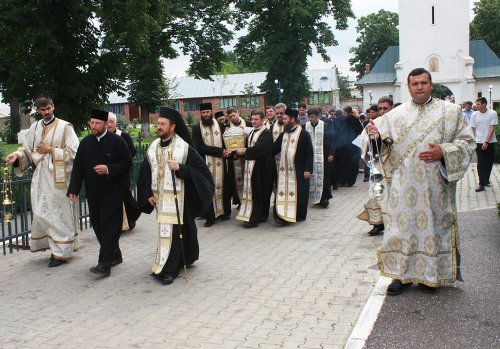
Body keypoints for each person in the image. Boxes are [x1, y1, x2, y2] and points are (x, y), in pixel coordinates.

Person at [364, 68, 474, 295]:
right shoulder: (394, 115)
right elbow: (374, 143)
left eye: (424, 82)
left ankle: (429, 275)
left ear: (431, 84)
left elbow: (467, 142)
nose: (420, 87)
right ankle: (401, 276)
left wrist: (443, 152)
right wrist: (374, 137)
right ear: (409, 87)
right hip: (403, 187)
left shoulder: (451, 112)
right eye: (415, 84)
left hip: (435, 186)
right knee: (401, 230)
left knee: (432, 228)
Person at [137, 107, 214, 285]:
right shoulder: (153, 146)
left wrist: (181, 169)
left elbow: (203, 173)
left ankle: (170, 269)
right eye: (158, 124)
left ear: (173, 126)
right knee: (165, 234)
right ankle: (167, 263)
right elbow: (145, 172)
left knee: (175, 233)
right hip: (160, 200)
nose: (159, 127)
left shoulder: (184, 148)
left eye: (163, 124)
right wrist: (147, 193)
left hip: (180, 200)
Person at [5, 96, 79, 267]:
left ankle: (62, 251)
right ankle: (52, 246)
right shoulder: (35, 127)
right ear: (37, 111)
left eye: (48, 108)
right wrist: (15, 156)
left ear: (53, 106)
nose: (46, 112)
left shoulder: (65, 127)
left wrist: (50, 150)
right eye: (42, 110)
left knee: (58, 213)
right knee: (40, 212)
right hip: (41, 177)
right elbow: (27, 150)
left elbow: (75, 152)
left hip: (59, 178)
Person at [67, 109, 132, 277]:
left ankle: (104, 264)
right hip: (93, 192)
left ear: (105, 124)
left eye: (97, 123)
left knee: (110, 226)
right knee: (98, 225)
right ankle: (115, 254)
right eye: (92, 123)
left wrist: (109, 168)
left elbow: (127, 163)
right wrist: (73, 189)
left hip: (113, 191)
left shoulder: (117, 142)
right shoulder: (86, 143)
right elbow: (78, 168)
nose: (94, 126)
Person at [358, 96, 394, 236]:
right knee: (377, 194)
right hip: (378, 166)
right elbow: (365, 143)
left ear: (391, 108)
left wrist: (381, 137)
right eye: (380, 108)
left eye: (386, 108)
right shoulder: (373, 123)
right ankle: (377, 223)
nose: (383, 111)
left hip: (394, 166)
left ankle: (392, 223)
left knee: (391, 196)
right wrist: (369, 138)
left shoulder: (398, 123)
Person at [192, 102, 232, 227]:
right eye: (203, 113)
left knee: (224, 187)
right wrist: (220, 152)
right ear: (200, 113)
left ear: (211, 111)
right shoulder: (196, 128)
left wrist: (227, 151)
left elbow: (227, 142)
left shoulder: (220, 125)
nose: (205, 115)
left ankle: (225, 213)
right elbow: (199, 147)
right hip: (206, 163)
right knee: (208, 189)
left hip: (222, 163)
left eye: (207, 112)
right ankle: (210, 217)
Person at [272, 108, 314, 225]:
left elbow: (309, 152)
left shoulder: (303, 134)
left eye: (285, 119)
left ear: (292, 119)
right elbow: (273, 149)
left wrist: (308, 169)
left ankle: (297, 215)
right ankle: (282, 215)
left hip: (299, 170)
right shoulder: (283, 134)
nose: (283, 121)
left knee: (299, 193)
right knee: (283, 192)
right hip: (284, 170)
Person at [235, 110, 274, 227]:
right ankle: (258, 215)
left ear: (263, 120)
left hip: (263, 168)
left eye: (256, 119)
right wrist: (237, 152)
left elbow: (259, 149)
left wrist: (244, 151)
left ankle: (256, 218)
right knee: (255, 192)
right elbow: (247, 147)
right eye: (252, 119)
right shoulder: (252, 132)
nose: (253, 121)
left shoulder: (266, 133)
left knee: (262, 192)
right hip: (252, 167)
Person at [106, 112, 140, 230]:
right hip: (107, 174)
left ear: (115, 123)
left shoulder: (123, 136)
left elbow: (132, 152)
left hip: (121, 173)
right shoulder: (102, 137)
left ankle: (130, 220)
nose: (109, 124)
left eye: (111, 122)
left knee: (126, 199)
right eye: (107, 122)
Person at [304, 108, 334, 207]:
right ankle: (314, 198)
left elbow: (331, 141)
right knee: (312, 176)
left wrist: (331, 153)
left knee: (324, 177)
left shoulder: (324, 126)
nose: (310, 119)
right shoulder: (306, 126)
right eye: (309, 117)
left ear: (318, 116)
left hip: (323, 156)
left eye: (312, 117)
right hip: (310, 157)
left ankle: (325, 198)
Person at [469, 97, 497, 192]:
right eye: (476, 104)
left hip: (490, 141)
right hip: (479, 142)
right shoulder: (474, 115)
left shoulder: (492, 113)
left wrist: (486, 142)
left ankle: (486, 180)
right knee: (481, 163)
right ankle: (481, 184)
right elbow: (473, 127)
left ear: (484, 104)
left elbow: (492, 128)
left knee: (489, 162)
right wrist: (478, 138)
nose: (476, 106)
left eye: (478, 104)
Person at [336, 106, 363, 187]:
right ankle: (341, 181)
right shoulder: (338, 120)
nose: (344, 114)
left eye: (346, 113)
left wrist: (357, 144)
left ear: (350, 113)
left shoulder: (355, 120)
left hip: (352, 147)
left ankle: (350, 181)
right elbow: (335, 132)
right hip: (341, 146)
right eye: (343, 113)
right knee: (342, 164)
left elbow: (360, 133)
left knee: (352, 164)